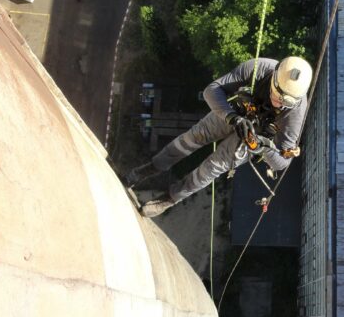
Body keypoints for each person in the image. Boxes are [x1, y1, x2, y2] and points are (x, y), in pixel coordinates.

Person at [126, 56, 312, 218]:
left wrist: (260, 147)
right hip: (232, 113)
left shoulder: (295, 113)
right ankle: (146, 170)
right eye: (278, 95)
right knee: (190, 140)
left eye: (286, 101)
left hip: (252, 138)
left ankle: (169, 199)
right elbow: (212, 90)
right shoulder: (259, 69)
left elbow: (282, 163)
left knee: (209, 170)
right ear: (274, 79)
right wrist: (233, 118)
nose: (279, 102)